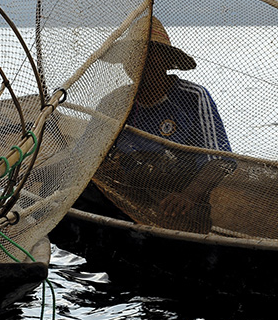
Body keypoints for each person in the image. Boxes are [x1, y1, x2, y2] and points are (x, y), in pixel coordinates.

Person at [93, 17, 233, 229]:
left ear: (168, 61)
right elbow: (85, 155)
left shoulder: (192, 97)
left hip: (177, 197)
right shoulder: (114, 103)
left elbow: (219, 159)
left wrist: (188, 196)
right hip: (123, 196)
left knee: (180, 223)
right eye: (133, 54)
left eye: (150, 54)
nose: (140, 60)